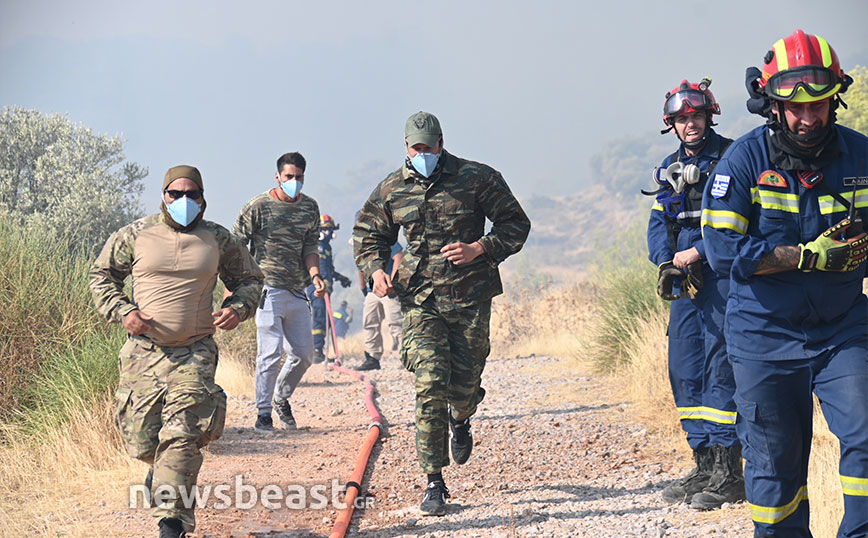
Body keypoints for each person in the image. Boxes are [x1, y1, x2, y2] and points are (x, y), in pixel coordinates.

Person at [701, 30, 868, 537]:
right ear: (771, 105)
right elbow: (721, 249)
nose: (808, 118)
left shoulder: (861, 156)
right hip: (763, 335)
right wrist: (808, 257)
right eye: (795, 108)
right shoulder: (744, 161)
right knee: (775, 464)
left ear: (834, 99)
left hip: (843, 328)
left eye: (819, 105)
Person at [354, 111, 530, 516]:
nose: (423, 154)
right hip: (420, 300)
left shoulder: (476, 177)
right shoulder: (392, 188)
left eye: (428, 147)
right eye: (415, 148)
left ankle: (462, 416)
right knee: (430, 383)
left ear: (441, 143)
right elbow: (368, 234)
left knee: (464, 384)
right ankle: (434, 480)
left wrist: (479, 249)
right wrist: (377, 269)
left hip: (470, 297)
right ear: (406, 147)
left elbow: (515, 224)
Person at [89, 165, 264, 538]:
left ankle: (172, 523)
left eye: (192, 195)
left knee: (183, 435)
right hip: (144, 354)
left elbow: (250, 279)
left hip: (195, 352)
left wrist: (238, 308)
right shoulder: (135, 235)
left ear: (203, 198)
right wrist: (125, 312)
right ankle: (160, 469)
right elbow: (102, 275)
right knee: (141, 441)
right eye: (175, 194)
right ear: (163, 196)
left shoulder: (217, 239)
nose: (184, 201)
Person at [645, 78, 744, 509]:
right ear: (672, 123)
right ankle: (703, 464)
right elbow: (657, 225)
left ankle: (729, 473)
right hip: (684, 283)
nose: (691, 124)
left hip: (721, 277)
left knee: (719, 367)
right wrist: (666, 262)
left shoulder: (734, 157)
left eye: (697, 116)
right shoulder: (669, 167)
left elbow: (743, 223)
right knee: (684, 368)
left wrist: (697, 253)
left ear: (710, 116)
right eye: (683, 118)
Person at [232, 152, 327, 432]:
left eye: (298, 177)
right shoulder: (258, 207)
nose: (294, 182)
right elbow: (236, 246)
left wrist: (316, 276)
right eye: (289, 177)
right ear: (278, 177)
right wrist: (236, 286)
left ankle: (280, 397)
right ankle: (263, 414)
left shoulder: (310, 208)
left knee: (304, 354)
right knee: (270, 354)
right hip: (267, 289)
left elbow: (311, 247)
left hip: (297, 290)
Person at [306, 214, 352, 363]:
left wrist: (342, 279)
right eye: (326, 229)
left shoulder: (326, 247)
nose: (330, 233)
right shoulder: (316, 246)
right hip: (317, 289)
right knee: (319, 317)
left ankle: (322, 350)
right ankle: (317, 351)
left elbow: (329, 270)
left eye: (331, 230)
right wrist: (322, 283)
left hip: (325, 289)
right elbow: (319, 270)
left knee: (324, 318)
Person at [355, 239, 404, 371]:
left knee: (395, 323)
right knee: (370, 322)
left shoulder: (384, 238)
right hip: (373, 289)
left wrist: (394, 282)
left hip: (388, 288)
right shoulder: (360, 243)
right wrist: (363, 287)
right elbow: (360, 266)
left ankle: (407, 356)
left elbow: (399, 256)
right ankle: (372, 357)